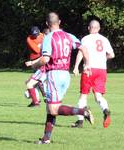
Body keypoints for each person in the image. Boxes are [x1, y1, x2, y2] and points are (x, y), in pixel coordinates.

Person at [25, 12, 94, 144]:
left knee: (53, 109)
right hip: (65, 75)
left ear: (47, 24)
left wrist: (34, 63)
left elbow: (45, 59)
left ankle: (83, 112)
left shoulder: (48, 37)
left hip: (54, 75)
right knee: (51, 107)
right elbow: (84, 49)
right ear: (60, 22)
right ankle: (46, 138)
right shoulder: (68, 36)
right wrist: (87, 65)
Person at [71, 20, 115, 128]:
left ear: (89, 28)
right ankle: (105, 110)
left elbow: (81, 52)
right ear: (99, 29)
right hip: (102, 70)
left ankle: (80, 121)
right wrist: (103, 59)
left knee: (83, 95)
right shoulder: (104, 39)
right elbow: (112, 55)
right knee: (98, 96)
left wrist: (76, 66)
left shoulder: (86, 38)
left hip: (89, 69)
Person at [25, 27, 47, 107]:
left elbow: (41, 50)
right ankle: (37, 99)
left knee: (35, 81)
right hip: (35, 59)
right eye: (34, 35)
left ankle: (38, 100)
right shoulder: (29, 39)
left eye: (37, 34)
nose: (36, 36)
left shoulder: (42, 35)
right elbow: (37, 50)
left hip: (41, 60)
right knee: (36, 81)